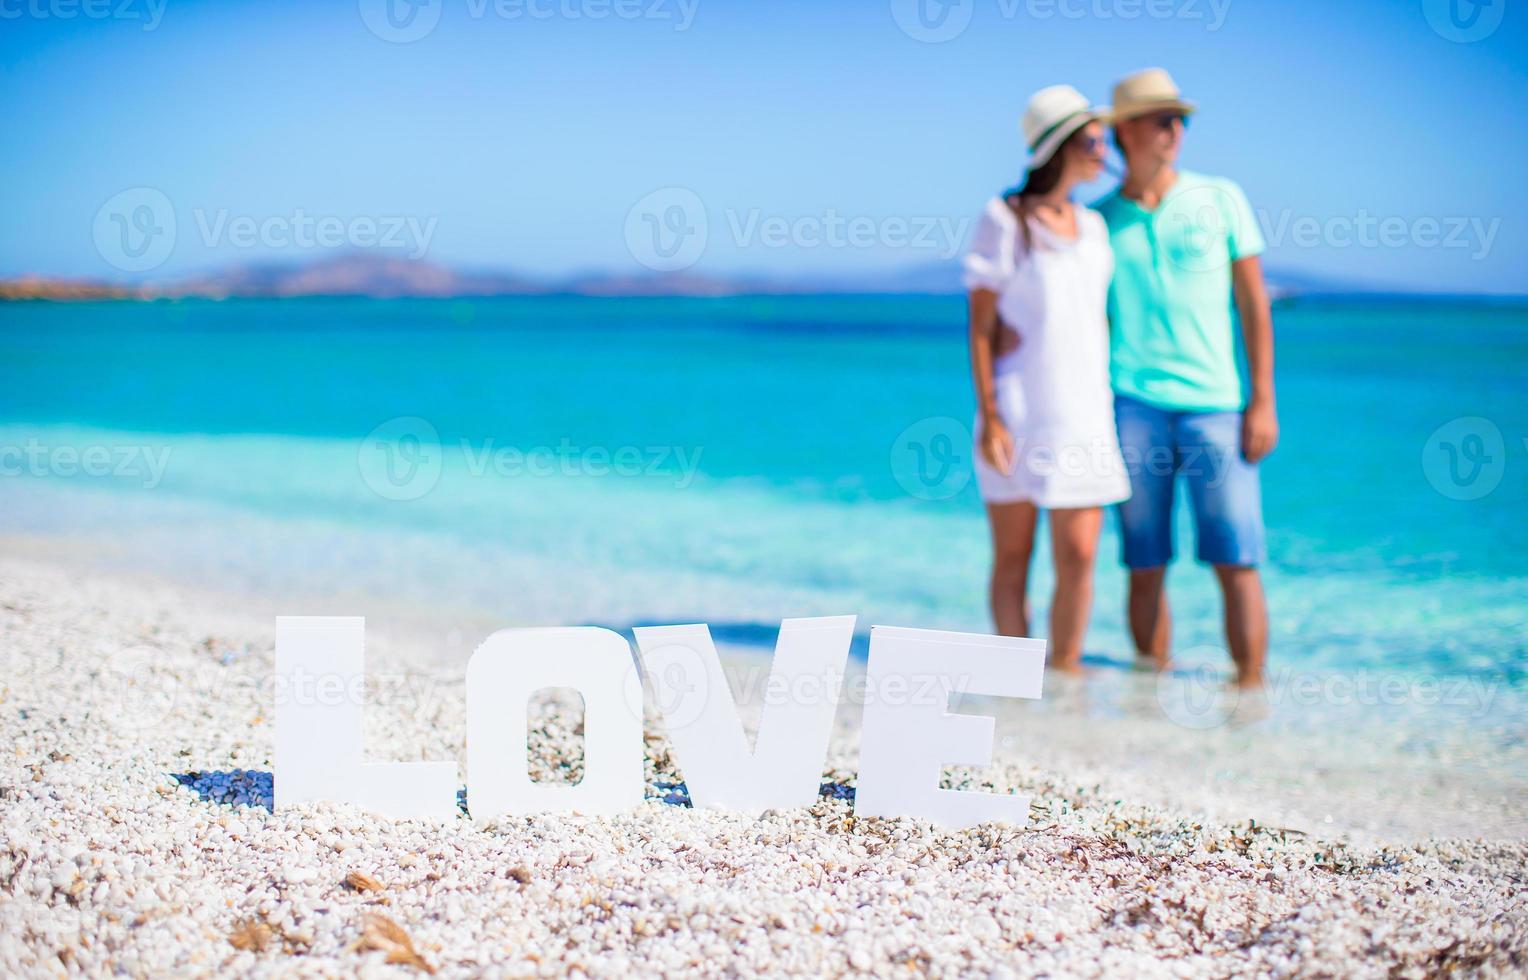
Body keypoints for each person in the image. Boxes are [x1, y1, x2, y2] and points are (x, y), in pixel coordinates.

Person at [1093, 68, 1278, 689]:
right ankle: (1151, 697)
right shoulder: (1097, 222)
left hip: (1217, 406)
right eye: (1161, 118)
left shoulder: (1220, 197)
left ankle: (1251, 696)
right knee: (1144, 561)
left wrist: (1263, 402)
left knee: (1237, 557)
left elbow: (1253, 303)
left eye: (1180, 118)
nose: (1175, 129)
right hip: (1132, 407)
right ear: (1124, 132)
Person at [964, 84, 1131, 674]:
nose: (1103, 148)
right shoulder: (1004, 218)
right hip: (1018, 407)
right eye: (1092, 138)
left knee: (1081, 555)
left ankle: (1063, 678)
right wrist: (990, 415)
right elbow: (981, 328)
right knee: (1014, 557)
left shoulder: (1093, 227)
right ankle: (1015, 680)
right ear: (1060, 145)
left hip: (1085, 409)